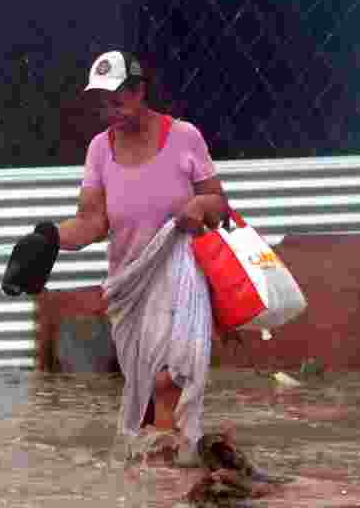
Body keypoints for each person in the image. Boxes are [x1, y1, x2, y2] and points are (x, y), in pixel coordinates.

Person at [51, 51, 231, 454]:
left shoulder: (184, 136)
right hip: (129, 284)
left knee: (169, 377)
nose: (109, 110)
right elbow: (91, 222)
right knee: (146, 386)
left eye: (116, 99)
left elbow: (220, 205)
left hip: (181, 274)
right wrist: (47, 239)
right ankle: (169, 460)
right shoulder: (100, 149)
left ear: (139, 91)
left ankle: (169, 468)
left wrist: (199, 206)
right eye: (102, 103)